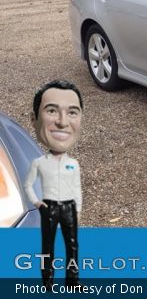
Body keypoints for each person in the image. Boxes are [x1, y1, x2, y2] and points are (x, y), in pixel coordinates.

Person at [23, 80, 84, 290]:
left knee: (72, 245)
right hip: (49, 206)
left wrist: (77, 209)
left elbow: (76, 188)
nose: (62, 122)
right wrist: (36, 202)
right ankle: (47, 282)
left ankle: (72, 281)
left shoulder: (73, 164)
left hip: (68, 207)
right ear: (35, 119)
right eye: (51, 111)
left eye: (72, 112)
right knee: (47, 245)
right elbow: (28, 184)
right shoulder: (39, 163)